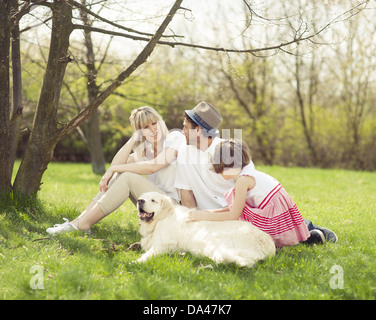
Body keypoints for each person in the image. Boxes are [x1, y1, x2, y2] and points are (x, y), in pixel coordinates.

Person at [176, 102, 338, 245]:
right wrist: (193, 220)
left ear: (197, 131)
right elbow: (186, 190)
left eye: (185, 127)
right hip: (212, 215)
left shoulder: (229, 153)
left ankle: (306, 228)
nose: (182, 131)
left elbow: (253, 195)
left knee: (259, 237)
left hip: (239, 212)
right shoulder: (184, 151)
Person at [46, 106, 185, 235]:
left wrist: (112, 168)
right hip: (155, 205)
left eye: (154, 123)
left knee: (128, 178)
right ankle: (77, 222)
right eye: (146, 127)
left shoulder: (174, 138)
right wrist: (133, 138)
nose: (153, 129)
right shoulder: (144, 151)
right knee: (122, 174)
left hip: (174, 208)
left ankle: (82, 225)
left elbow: (153, 166)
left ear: (160, 122)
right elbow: (118, 164)